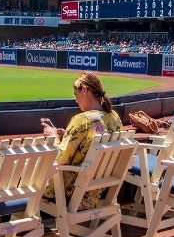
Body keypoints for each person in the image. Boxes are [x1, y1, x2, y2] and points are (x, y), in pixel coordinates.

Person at [41, 73, 122, 209]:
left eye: (76, 94)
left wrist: (53, 135)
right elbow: (91, 140)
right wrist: (68, 135)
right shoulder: (114, 117)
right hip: (99, 189)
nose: (75, 99)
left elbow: (61, 158)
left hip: (71, 190)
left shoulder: (82, 120)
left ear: (85, 90)